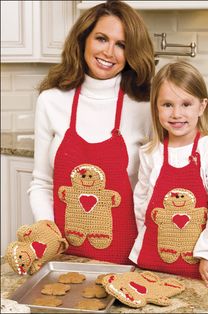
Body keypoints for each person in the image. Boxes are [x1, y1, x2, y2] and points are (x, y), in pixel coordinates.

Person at [28, 0, 155, 265]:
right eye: (101, 39)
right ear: (83, 39)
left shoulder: (145, 106)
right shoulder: (51, 101)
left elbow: (156, 190)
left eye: (121, 45)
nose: (109, 52)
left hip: (127, 261)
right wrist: (49, 233)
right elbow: (42, 183)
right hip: (62, 257)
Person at [129, 61, 208, 287]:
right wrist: (144, 242)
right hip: (154, 261)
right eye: (167, 104)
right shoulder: (151, 154)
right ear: (156, 108)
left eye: (186, 104)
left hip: (202, 267)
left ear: (201, 106)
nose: (176, 114)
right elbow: (142, 204)